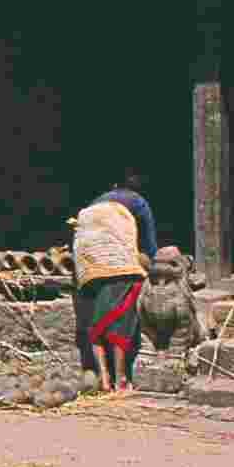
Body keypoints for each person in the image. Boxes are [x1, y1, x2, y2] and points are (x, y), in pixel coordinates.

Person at [69, 168, 159, 393]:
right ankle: (120, 379)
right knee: (122, 321)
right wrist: (150, 264)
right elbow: (149, 246)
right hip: (117, 263)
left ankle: (103, 377)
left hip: (87, 261)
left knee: (96, 322)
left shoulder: (96, 203)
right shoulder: (138, 202)